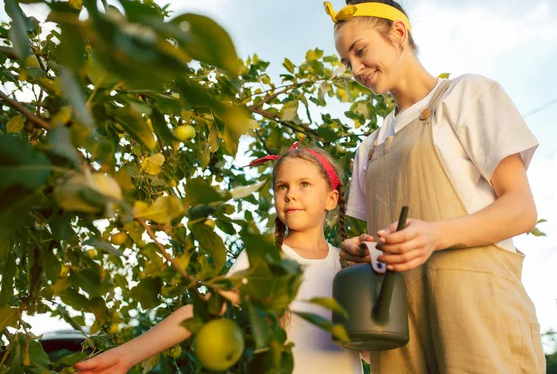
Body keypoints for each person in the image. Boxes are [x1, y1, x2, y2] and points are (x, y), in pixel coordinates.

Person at [325, 0, 546, 373]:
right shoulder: (370, 148)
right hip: (397, 333)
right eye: (347, 63)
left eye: (360, 52)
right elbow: (386, 242)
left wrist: (435, 235)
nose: (356, 69)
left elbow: (521, 210)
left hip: (477, 315)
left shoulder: (466, 96)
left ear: (398, 34)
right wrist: (361, 250)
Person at [74, 145, 362, 374]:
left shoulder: (348, 265)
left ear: (332, 199)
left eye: (304, 184)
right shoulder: (265, 258)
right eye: (282, 186)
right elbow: (202, 311)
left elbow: (373, 345)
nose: (290, 195)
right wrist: (126, 355)